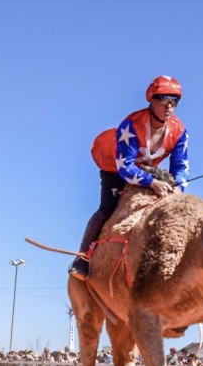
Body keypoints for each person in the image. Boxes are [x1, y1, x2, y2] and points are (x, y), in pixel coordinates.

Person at [69, 75, 190, 280]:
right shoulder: (131, 125)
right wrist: (152, 182)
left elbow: (180, 166)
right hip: (116, 167)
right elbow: (125, 166)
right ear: (152, 100)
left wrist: (178, 189)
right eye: (164, 101)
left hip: (149, 170)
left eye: (174, 102)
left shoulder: (180, 132)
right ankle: (83, 258)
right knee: (107, 208)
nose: (169, 107)